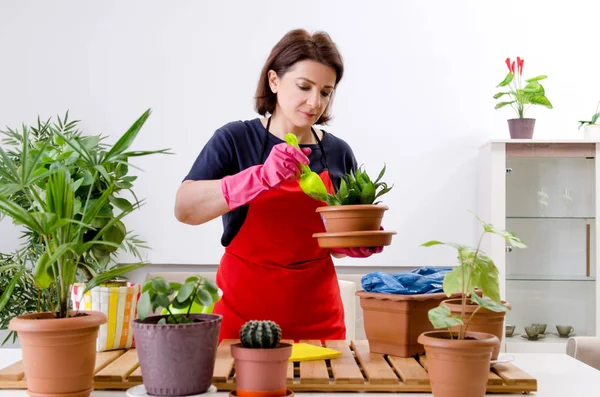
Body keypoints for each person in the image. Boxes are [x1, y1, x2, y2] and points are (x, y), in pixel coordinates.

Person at [174, 29, 383, 342]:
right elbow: (185, 209)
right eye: (304, 86)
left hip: (319, 320)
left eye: (325, 92)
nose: (315, 102)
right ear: (274, 81)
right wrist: (258, 177)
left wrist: (352, 243)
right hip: (241, 320)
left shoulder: (338, 152)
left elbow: (335, 246)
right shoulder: (235, 140)